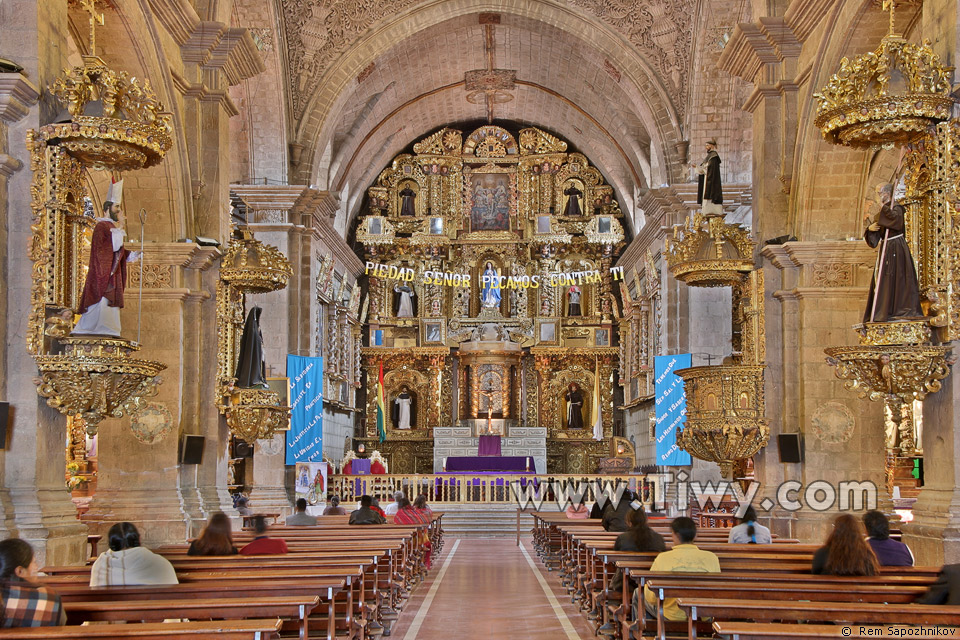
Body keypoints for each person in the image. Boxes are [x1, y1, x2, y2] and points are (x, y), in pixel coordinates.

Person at [73, 198, 141, 336]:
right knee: (101, 302)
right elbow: (107, 248)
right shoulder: (102, 226)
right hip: (103, 273)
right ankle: (91, 329)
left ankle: (108, 329)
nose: (119, 211)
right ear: (106, 210)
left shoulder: (110, 227)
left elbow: (118, 250)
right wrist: (121, 227)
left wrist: (132, 255)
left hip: (111, 272)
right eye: (116, 207)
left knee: (109, 306)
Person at [862, 183, 924, 323]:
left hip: (896, 248)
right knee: (883, 280)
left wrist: (883, 207)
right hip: (885, 248)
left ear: (886, 193)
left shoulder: (896, 208)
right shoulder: (882, 213)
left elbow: (895, 221)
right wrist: (870, 230)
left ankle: (898, 310)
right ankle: (884, 311)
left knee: (897, 278)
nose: (878, 197)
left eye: (879, 193)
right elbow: (873, 241)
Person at [643, 517, 720, 621]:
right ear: (695, 535)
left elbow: (651, 597)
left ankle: (649, 630)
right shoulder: (711, 558)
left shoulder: (663, 558)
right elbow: (716, 591)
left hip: (670, 615)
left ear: (675, 535)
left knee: (637, 595)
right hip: (702, 615)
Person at [0, 538, 66, 627]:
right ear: (20, 571)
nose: (37, 567)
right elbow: (61, 626)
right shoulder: (49, 597)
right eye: (34, 562)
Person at [90, 522, 178, 586]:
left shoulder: (99, 565)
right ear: (139, 539)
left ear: (110, 542)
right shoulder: (159, 563)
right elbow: (174, 594)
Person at [609, 510, 666, 594]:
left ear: (629, 522)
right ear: (645, 520)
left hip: (627, 580)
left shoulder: (623, 538)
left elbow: (615, 558)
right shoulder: (658, 538)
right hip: (651, 578)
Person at [812, 514, 880, 576]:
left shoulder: (821, 553)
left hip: (830, 588)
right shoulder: (867, 554)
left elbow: (815, 575)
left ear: (835, 531)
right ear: (858, 532)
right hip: (858, 589)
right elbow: (870, 574)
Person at [395, 497, 432, 569]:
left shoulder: (398, 513)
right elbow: (423, 520)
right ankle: (425, 562)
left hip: (402, 539)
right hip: (417, 539)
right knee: (426, 542)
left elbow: (396, 522)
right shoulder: (414, 512)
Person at [691, 139, 722, 217]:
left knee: (711, 196)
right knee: (706, 197)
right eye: (705, 145)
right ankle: (707, 211)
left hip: (711, 181)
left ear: (711, 146)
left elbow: (710, 169)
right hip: (707, 179)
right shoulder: (709, 156)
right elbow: (704, 168)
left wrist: (702, 168)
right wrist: (697, 167)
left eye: (707, 145)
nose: (706, 147)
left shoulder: (714, 156)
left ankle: (712, 210)